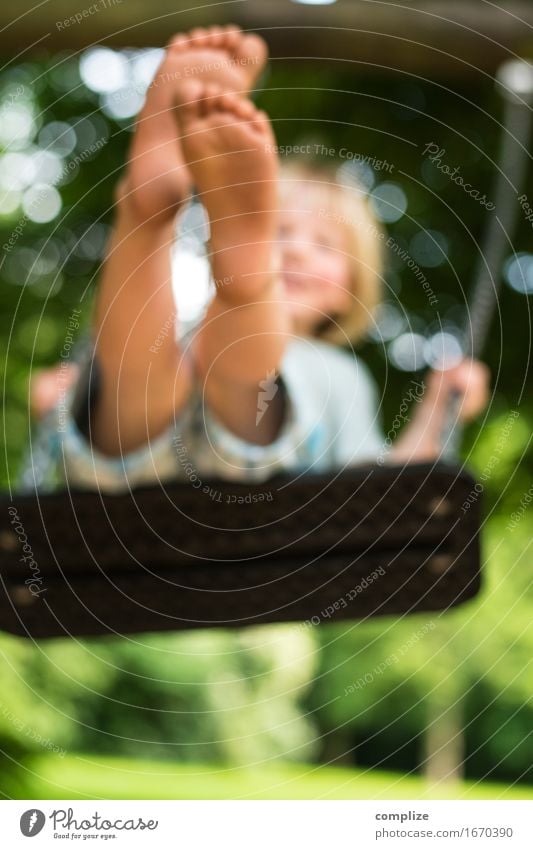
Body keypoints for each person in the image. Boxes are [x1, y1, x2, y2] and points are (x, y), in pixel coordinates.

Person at [38, 25, 489, 492]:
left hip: (169, 487)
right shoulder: (212, 339)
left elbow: (388, 490)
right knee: (148, 365)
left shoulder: (340, 375)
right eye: (279, 233)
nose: (296, 249)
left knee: (208, 372)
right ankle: (160, 220)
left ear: (348, 290)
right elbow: (388, 498)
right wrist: (62, 401)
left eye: (323, 244)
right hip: (156, 480)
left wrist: (438, 408)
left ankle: (182, 239)